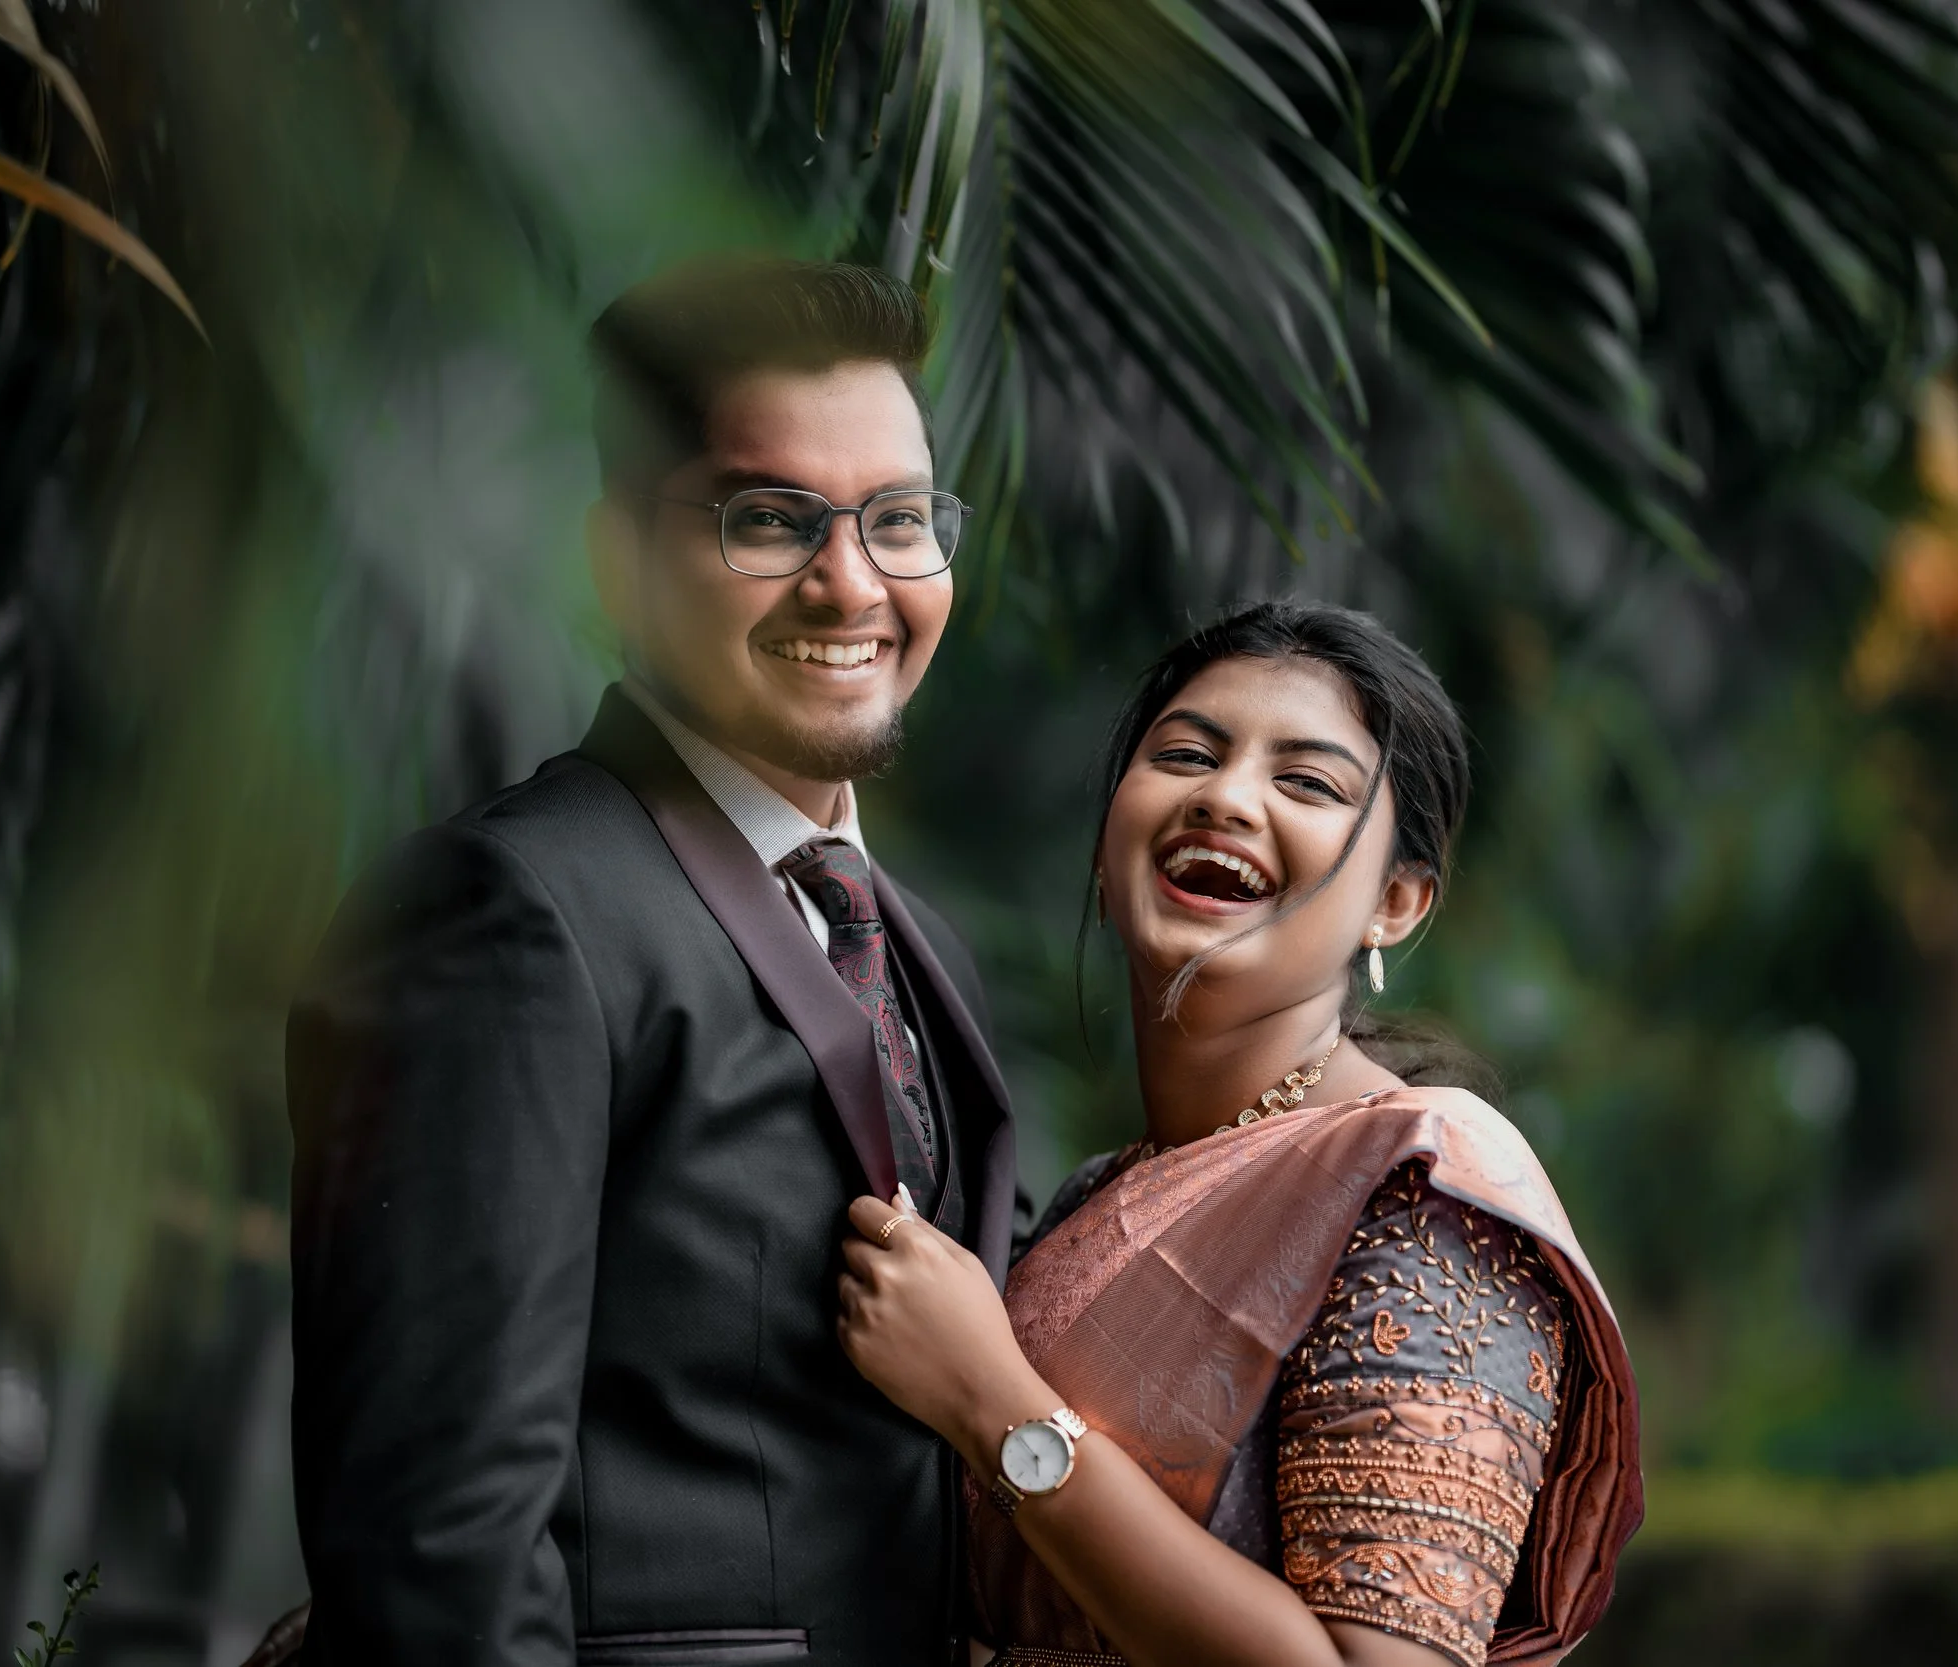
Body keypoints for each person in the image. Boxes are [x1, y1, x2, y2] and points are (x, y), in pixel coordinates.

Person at [281, 258, 1017, 1666]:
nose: (851, 579)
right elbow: (442, 1546)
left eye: (901, 520)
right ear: (616, 556)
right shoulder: (505, 912)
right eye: (769, 518)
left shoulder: (926, 948)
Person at [829, 601, 1644, 1667]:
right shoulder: (1096, 1194)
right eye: (1183, 754)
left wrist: (994, 1403)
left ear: (1395, 901)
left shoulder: (1423, 1200)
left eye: (1305, 781)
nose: (1223, 796)